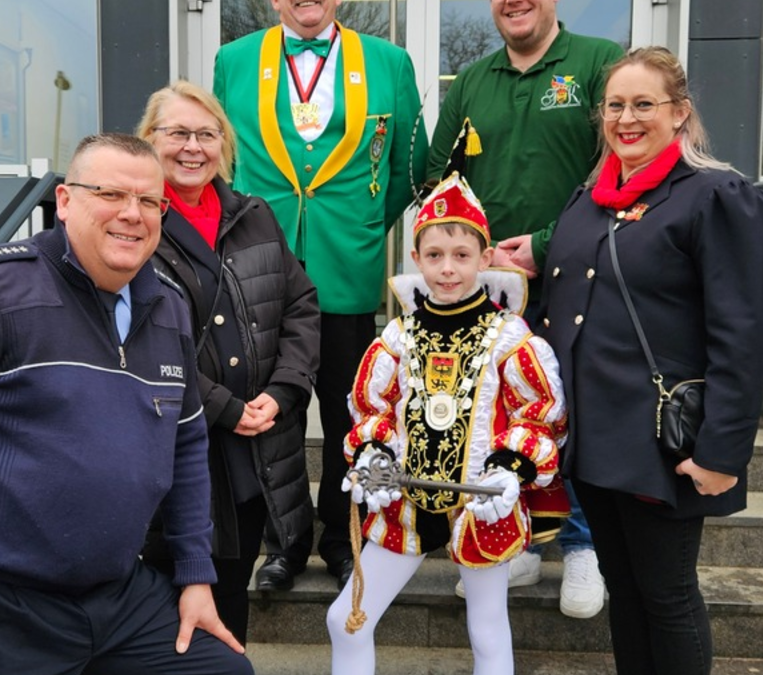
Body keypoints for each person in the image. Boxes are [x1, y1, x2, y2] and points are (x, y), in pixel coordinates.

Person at [0, 133, 253, 675]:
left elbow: (185, 445)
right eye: (110, 194)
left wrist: (195, 574)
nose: (132, 214)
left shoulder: (168, 306)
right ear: (64, 201)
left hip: (118, 595)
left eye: (149, 201)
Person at [539, 47, 763, 675]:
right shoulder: (588, 200)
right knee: (626, 592)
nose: (626, 119)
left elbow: (744, 336)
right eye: (615, 106)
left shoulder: (716, 196)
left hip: (661, 445)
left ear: (679, 112)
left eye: (644, 104)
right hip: (593, 444)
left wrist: (723, 453)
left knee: (668, 596)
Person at [214, 0, 427, 591]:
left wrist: (363, 225)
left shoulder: (388, 61)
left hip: (346, 263)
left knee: (347, 411)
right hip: (260, 266)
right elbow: (221, 160)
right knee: (267, 409)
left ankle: (341, 536)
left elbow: (409, 168)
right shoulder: (234, 60)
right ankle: (281, 543)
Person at [325, 173, 568, 675]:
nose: (448, 268)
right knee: (346, 619)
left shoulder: (510, 337)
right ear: (416, 259)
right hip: (405, 502)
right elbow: (372, 408)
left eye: (461, 255)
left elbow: (540, 412)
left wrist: (510, 467)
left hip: (481, 505)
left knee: (487, 630)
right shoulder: (397, 336)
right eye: (434, 255)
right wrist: (374, 454)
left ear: (485, 257)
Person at [427, 0, 622, 618]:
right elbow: (439, 177)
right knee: (501, 409)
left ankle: (583, 545)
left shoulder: (597, 62)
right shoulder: (472, 80)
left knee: (573, 410)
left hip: (579, 277)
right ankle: (520, 540)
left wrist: (545, 243)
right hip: (492, 288)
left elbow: (617, 170)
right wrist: (467, 253)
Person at [135, 81, 320, 645]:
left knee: (232, 595)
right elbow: (137, 341)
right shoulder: (134, 223)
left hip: (257, 450)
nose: (193, 147)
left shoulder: (254, 216)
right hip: (178, 451)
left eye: (207, 134)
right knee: (167, 604)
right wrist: (223, 406)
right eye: (177, 133)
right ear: (149, 140)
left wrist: (283, 391)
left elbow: (300, 305)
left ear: (225, 144)